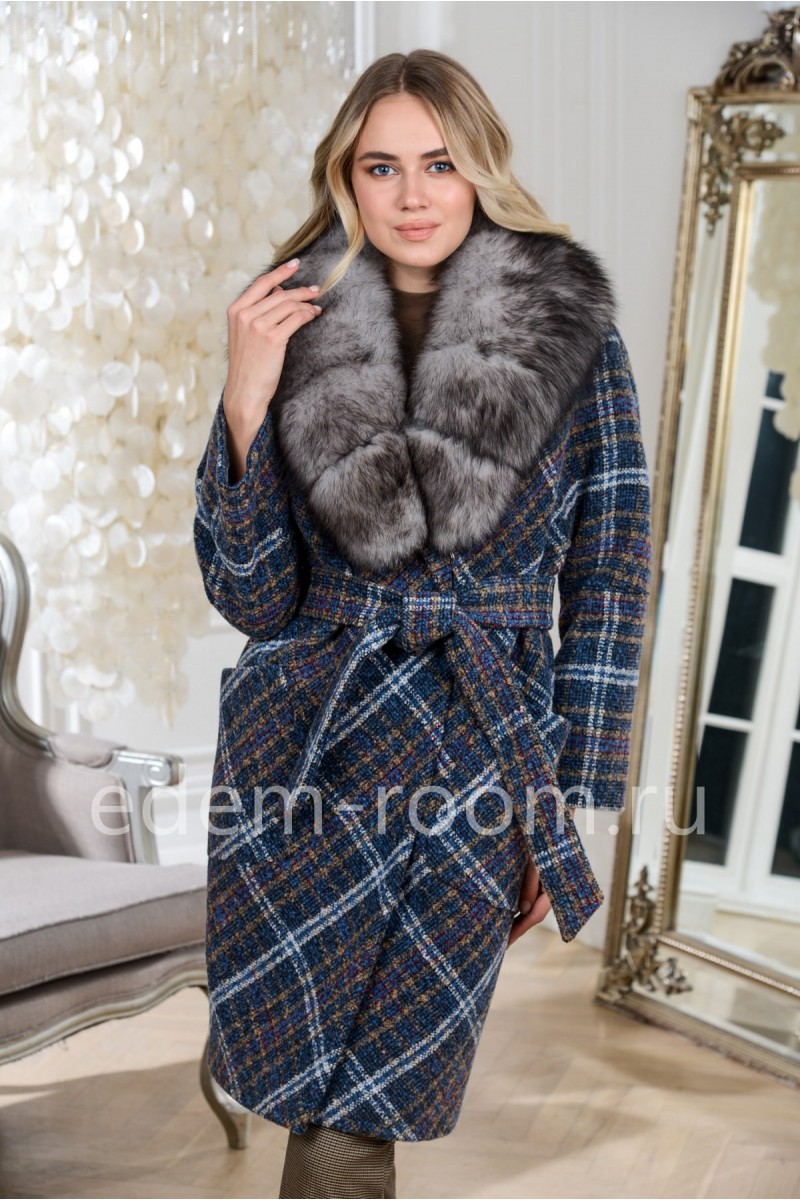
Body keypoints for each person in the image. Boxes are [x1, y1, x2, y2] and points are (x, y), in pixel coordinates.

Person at [193, 48, 652, 1200]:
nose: (411, 195)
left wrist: (564, 795)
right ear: (344, 177)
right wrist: (245, 395)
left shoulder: (570, 333)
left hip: (478, 743)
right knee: (318, 1079)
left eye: (438, 164)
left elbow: (609, 574)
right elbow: (251, 597)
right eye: (380, 166)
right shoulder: (289, 323)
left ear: (479, 167)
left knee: (378, 1077)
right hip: (306, 743)